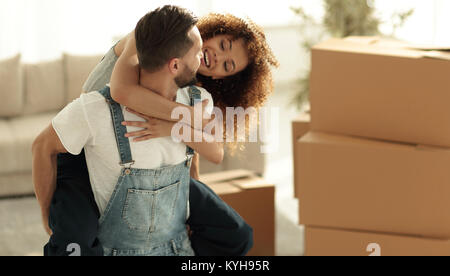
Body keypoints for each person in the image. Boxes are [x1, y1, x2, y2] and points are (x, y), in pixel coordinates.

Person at [41, 8, 278, 256]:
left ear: (223, 78)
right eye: (223, 44)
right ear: (213, 31)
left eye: (228, 66)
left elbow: (194, 151)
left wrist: (186, 198)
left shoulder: (190, 85)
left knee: (236, 233)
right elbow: (121, 92)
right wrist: (188, 119)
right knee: (76, 241)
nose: (217, 57)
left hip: (156, 167)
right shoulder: (148, 38)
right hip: (86, 150)